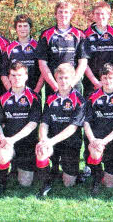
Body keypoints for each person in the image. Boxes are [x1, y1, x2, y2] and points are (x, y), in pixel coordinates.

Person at [35, 63, 86, 197]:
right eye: (60, 78)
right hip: (52, 142)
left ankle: (69, 171)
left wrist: (50, 141)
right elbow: (44, 123)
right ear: (56, 79)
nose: (63, 81)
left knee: (68, 183)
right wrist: (44, 139)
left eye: (66, 78)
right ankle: (46, 182)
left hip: (70, 143)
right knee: (41, 150)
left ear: (73, 78)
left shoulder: (79, 100)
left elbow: (72, 128)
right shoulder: (50, 99)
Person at [0, 62, 42, 194]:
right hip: (7, 142)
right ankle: (2, 183)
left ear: (26, 76)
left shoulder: (34, 98)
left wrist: (13, 139)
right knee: (2, 155)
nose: (16, 79)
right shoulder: (2, 99)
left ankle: (20, 168)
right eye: (13, 75)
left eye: (20, 75)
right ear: (9, 77)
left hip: (27, 145)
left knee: (25, 183)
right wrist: (3, 138)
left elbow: (33, 124)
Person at [84, 63, 113, 195]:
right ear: (101, 79)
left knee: (110, 185)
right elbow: (86, 122)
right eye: (104, 78)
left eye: (111, 78)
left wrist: (105, 141)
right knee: (95, 151)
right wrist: (93, 140)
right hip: (95, 140)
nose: (108, 81)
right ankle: (97, 176)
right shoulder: (92, 96)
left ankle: (106, 173)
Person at [37, 0, 88, 98]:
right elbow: (42, 64)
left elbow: (83, 63)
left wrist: (71, 84)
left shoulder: (80, 35)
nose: (63, 15)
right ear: (55, 14)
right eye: (60, 12)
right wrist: (55, 86)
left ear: (71, 14)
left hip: (73, 84)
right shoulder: (46, 35)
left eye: (66, 12)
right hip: (53, 85)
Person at [83, 1, 113, 96]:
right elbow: (83, 61)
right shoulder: (85, 34)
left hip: (110, 81)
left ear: (109, 15)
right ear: (93, 15)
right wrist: (95, 81)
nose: (100, 16)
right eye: (97, 13)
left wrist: (111, 76)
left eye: (103, 14)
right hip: (90, 82)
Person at [2, 14, 44, 93]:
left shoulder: (38, 47)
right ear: (16, 28)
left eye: (25, 26)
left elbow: (43, 73)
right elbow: (3, 74)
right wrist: (11, 91)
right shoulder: (8, 48)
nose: (22, 29)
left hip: (34, 92)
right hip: (14, 93)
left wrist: (36, 91)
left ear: (30, 27)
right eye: (20, 26)